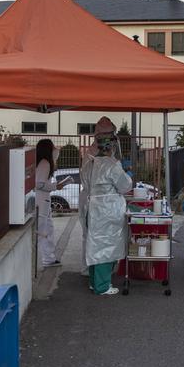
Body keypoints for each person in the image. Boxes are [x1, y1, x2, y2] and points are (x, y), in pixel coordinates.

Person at [81, 134, 133, 296]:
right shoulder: (112, 165)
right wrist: (127, 174)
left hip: (93, 208)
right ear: (111, 147)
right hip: (108, 211)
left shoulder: (89, 163)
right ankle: (102, 286)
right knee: (107, 247)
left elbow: (85, 183)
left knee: (94, 245)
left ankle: (94, 282)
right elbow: (125, 186)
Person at [79, 116, 121, 278]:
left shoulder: (105, 152)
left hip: (99, 202)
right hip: (94, 201)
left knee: (99, 238)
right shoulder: (92, 155)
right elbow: (90, 180)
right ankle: (91, 271)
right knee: (92, 238)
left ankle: (96, 272)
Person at [34, 139, 67, 268]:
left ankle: (49, 258)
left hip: (42, 201)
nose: (56, 149)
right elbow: (39, 183)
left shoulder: (42, 162)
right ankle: (47, 259)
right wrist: (55, 186)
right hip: (41, 201)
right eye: (53, 147)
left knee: (47, 229)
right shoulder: (45, 163)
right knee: (44, 231)